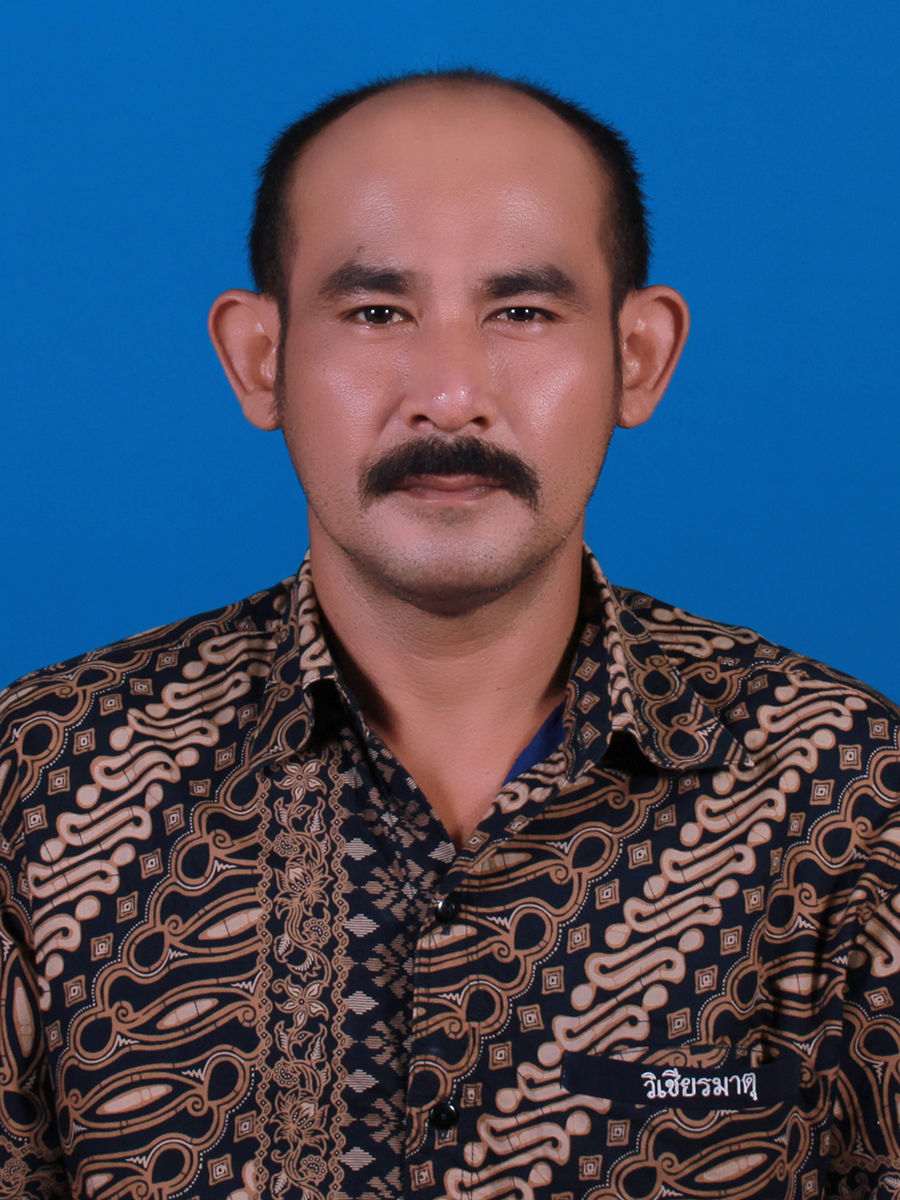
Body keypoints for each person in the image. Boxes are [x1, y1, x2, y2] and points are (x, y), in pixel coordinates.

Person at [0, 67, 898, 1200]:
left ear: (639, 357)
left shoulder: (847, 792)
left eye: (522, 312)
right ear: (260, 359)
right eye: (377, 312)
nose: (451, 392)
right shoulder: (38, 783)